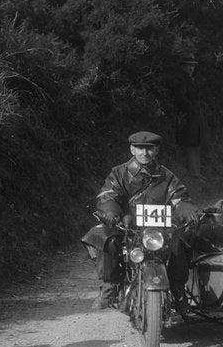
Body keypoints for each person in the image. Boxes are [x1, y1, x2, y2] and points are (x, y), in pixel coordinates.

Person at [81, 130, 198, 309]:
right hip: (127, 226)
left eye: (149, 148)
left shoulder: (167, 176)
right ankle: (109, 286)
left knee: (180, 241)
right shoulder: (119, 173)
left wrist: (187, 210)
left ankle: (178, 290)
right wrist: (111, 212)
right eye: (140, 148)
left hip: (160, 229)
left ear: (157, 150)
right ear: (132, 150)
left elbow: (180, 198)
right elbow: (107, 196)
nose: (145, 153)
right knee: (106, 238)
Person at [174, 56, 205, 179]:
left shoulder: (191, 80)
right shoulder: (181, 80)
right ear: (183, 66)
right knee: (190, 143)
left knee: (196, 142)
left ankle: (196, 172)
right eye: (188, 65)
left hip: (194, 116)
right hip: (186, 116)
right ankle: (193, 173)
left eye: (192, 66)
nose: (191, 68)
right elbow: (179, 98)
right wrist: (191, 108)